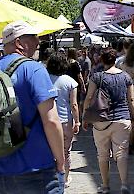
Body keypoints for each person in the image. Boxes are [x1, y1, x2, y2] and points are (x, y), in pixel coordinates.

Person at [0, 21, 66, 194]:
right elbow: (51, 121)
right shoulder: (33, 69)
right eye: (34, 38)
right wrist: (60, 159)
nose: (38, 42)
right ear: (19, 43)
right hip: (35, 168)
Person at [83, 48, 134, 194]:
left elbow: (89, 97)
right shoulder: (126, 77)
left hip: (101, 120)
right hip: (122, 118)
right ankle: (125, 184)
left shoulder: (97, 77)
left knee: (102, 154)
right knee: (121, 153)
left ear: (102, 60)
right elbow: (131, 99)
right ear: (115, 60)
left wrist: (85, 116)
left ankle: (105, 185)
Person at [47, 54, 79, 187]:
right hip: (65, 121)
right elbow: (74, 104)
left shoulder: (45, 79)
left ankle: (51, 177)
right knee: (66, 151)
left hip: (48, 120)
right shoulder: (70, 81)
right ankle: (65, 178)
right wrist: (77, 121)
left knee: (49, 150)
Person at [120, 43, 134, 152]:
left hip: (124, 92)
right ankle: (130, 142)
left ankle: (127, 142)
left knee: (127, 118)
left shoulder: (123, 63)